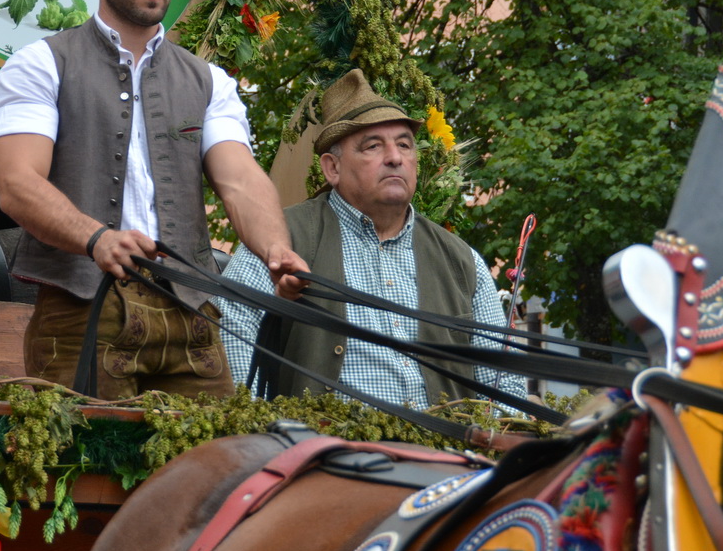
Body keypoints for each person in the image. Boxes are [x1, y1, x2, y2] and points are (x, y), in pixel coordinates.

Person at [0, 0, 307, 398]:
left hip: (190, 309)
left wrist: (276, 251)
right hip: (80, 307)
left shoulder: (209, 81)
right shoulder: (40, 64)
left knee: (218, 468)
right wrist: (96, 238)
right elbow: (16, 184)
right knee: (86, 470)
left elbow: (240, 179)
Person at [218, 69, 525, 407]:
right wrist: (261, 433)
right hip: (325, 452)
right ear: (332, 168)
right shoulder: (281, 239)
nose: (395, 157)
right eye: (373, 146)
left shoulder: (460, 260)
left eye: (405, 145)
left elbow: (503, 381)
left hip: (446, 454)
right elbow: (232, 329)